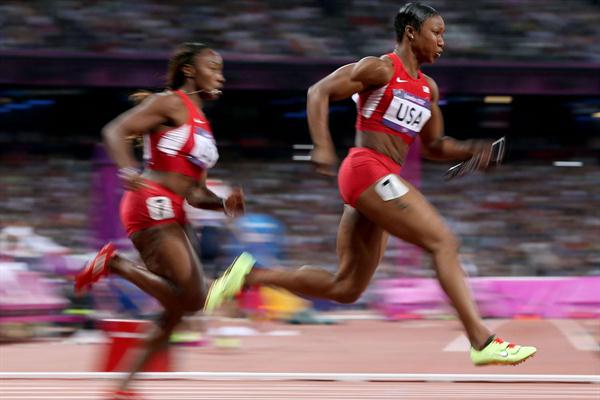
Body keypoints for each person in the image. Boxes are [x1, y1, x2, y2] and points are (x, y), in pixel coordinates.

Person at [205, 3, 536, 366]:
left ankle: (249, 275)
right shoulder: (379, 68)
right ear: (412, 32)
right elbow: (318, 91)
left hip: (381, 180)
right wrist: (322, 145)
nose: (442, 41)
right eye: (436, 32)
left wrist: (473, 150)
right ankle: (482, 340)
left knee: (346, 288)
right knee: (444, 242)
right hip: (366, 169)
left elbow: (436, 145)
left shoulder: (428, 89)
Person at [74, 42, 245, 398]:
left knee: (176, 311)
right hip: (149, 200)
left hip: (175, 209)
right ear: (189, 71)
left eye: (221, 70)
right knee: (195, 297)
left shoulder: (202, 124)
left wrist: (224, 205)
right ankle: (114, 263)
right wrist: (126, 168)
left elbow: (195, 192)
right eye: (212, 68)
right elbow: (114, 131)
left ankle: (124, 386)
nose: (220, 76)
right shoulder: (170, 102)